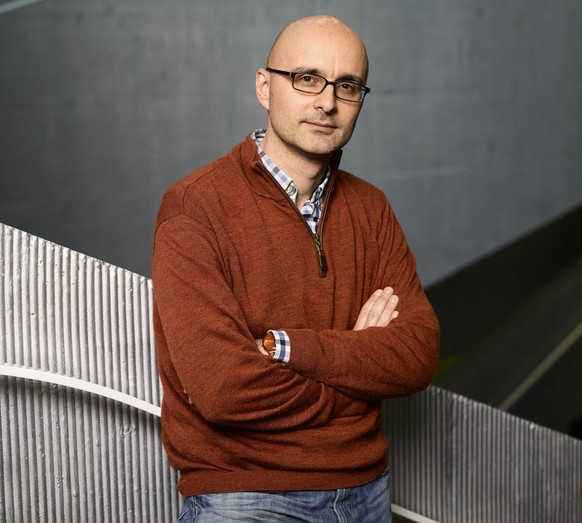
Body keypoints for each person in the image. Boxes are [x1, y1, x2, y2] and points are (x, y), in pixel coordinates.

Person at [152, 14, 439, 522]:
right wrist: (360, 371)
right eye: (306, 78)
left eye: (346, 86)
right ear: (265, 87)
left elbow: (417, 355)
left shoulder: (371, 209)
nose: (326, 102)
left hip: (366, 493)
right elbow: (223, 390)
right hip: (245, 499)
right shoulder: (195, 207)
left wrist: (287, 348)